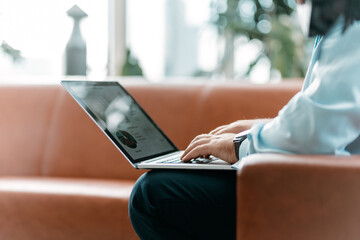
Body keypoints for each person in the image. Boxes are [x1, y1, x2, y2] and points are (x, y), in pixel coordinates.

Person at [129, 0, 360, 239]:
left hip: (334, 194)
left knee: (152, 195)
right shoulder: (342, 23)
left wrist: (238, 145)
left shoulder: (352, 24)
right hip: (330, 181)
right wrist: (258, 129)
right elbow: (324, 113)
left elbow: (314, 129)